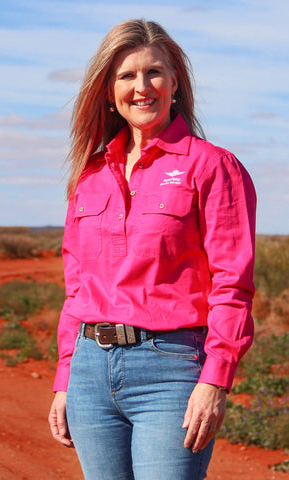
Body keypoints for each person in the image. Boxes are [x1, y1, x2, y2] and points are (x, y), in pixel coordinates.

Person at [48, 18, 256, 480]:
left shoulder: (213, 166)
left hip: (171, 370)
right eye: (126, 76)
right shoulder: (90, 175)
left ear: (175, 82)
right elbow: (77, 286)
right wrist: (65, 380)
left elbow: (233, 283)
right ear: (108, 90)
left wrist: (216, 378)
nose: (142, 87)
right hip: (90, 372)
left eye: (154, 73)